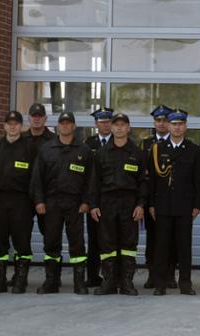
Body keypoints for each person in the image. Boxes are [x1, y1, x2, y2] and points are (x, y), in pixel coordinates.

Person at [30, 111, 93, 295]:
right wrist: (39, 201)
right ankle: (51, 281)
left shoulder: (84, 150)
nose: (65, 126)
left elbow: (90, 180)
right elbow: (37, 178)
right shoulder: (46, 149)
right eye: (62, 123)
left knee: (77, 243)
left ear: (74, 126)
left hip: (75, 204)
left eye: (68, 123)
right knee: (51, 242)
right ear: (58, 126)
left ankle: (79, 283)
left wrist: (86, 201)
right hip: (52, 203)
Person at [145, 109, 200, 296]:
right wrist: (151, 204)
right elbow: (152, 181)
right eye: (174, 124)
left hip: (185, 206)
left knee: (184, 247)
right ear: (168, 126)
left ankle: (185, 284)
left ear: (185, 126)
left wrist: (197, 205)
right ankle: (160, 284)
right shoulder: (157, 149)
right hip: (162, 205)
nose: (177, 127)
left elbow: (199, 181)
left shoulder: (194, 150)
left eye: (180, 124)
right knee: (161, 247)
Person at [87, 113, 146, 296]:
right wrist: (94, 205)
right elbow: (94, 182)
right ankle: (109, 282)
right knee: (107, 245)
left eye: (123, 125)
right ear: (111, 128)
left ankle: (127, 282)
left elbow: (143, 182)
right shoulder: (101, 153)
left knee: (129, 245)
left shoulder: (137, 153)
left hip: (129, 204)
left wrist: (141, 204)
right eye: (116, 125)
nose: (119, 128)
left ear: (128, 128)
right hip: (107, 203)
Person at [0, 111, 38, 294]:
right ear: (4, 126)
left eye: (16, 124)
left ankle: (20, 281)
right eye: (9, 124)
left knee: (22, 242)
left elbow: (35, 177)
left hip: (21, 201)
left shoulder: (30, 148)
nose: (13, 127)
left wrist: (33, 201)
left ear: (21, 126)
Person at [82, 107, 116, 288]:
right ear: (96, 124)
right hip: (94, 199)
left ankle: (113, 276)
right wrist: (87, 200)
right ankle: (93, 275)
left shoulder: (119, 142)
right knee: (94, 240)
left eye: (108, 121)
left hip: (113, 200)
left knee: (112, 239)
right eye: (101, 122)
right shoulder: (88, 143)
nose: (105, 125)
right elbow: (85, 175)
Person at [141, 104, 173, 290]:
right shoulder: (146, 143)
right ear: (154, 122)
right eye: (158, 120)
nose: (161, 123)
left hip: (170, 198)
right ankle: (152, 275)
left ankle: (169, 275)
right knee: (152, 239)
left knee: (171, 239)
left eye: (165, 120)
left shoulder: (176, 142)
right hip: (151, 198)